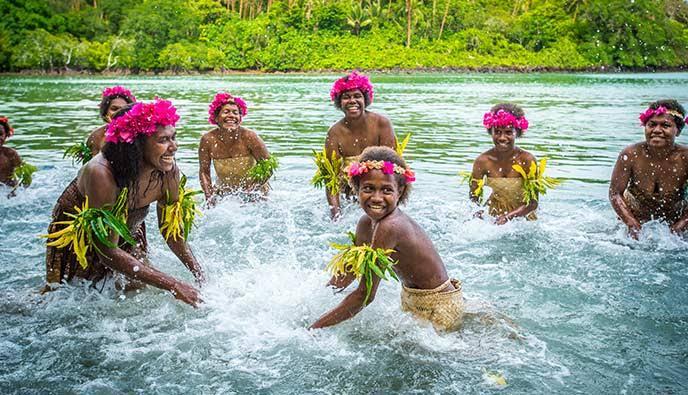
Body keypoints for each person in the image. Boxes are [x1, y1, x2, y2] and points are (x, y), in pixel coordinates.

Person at [43, 99, 205, 306]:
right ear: (136, 145)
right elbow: (106, 250)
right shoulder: (101, 173)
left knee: (136, 289)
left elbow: (171, 233)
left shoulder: (168, 170)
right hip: (80, 237)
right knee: (70, 297)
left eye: (173, 137)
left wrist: (199, 274)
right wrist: (173, 284)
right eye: (163, 140)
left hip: (129, 226)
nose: (174, 147)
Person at [310, 146, 465, 332]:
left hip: (441, 306)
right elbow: (352, 271)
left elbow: (365, 295)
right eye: (368, 188)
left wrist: (314, 328)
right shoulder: (365, 224)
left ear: (400, 191)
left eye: (386, 190)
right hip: (414, 300)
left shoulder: (390, 226)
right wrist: (318, 297)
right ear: (356, 188)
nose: (376, 198)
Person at [321, 71, 397, 220]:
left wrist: (389, 210)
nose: (352, 101)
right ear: (339, 102)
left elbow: (393, 170)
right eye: (346, 97)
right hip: (348, 196)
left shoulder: (382, 124)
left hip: (378, 193)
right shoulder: (334, 133)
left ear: (365, 99)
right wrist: (336, 216)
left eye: (357, 96)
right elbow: (331, 180)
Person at [609, 99, 688, 238]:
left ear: (678, 131)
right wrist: (631, 224)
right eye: (651, 124)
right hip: (635, 221)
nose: (657, 130)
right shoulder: (630, 155)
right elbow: (615, 193)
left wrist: (679, 226)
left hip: (675, 222)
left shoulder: (685, 158)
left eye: (665, 125)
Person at [198, 92, 274, 205]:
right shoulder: (208, 140)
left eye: (235, 113)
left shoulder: (250, 137)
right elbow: (204, 171)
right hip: (224, 194)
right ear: (216, 118)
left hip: (256, 194)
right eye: (226, 112)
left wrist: (252, 187)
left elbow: (268, 166)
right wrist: (209, 197)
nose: (231, 116)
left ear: (240, 118)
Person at [468, 103, 538, 224]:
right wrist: (478, 215)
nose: (502, 138)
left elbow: (533, 203)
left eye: (508, 132)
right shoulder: (483, 161)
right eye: (498, 132)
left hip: (522, 221)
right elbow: (474, 199)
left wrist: (508, 217)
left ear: (518, 133)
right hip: (493, 218)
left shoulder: (527, 160)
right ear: (491, 132)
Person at [86, 86, 137, 156]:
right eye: (114, 109)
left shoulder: (138, 136)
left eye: (124, 109)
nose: (119, 112)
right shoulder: (96, 136)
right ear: (106, 112)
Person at [0, 116, 21, 187]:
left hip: (8, 192)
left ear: (6, 135)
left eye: (0, 134)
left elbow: (23, 174)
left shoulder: (11, 154)